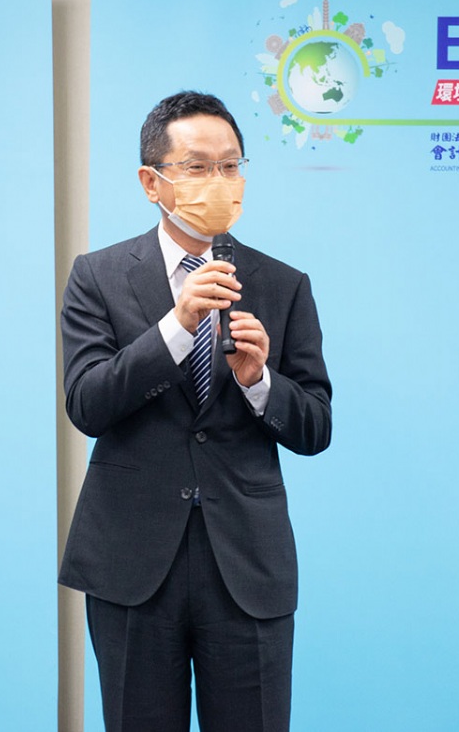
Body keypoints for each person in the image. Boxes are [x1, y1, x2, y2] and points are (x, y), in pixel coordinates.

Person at [59, 91, 333, 732]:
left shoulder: (282, 283)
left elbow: (316, 425)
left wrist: (260, 381)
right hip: (131, 561)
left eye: (231, 166)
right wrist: (175, 328)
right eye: (198, 167)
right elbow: (87, 403)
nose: (219, 181)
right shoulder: (97, 276)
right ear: (151, 182)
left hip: (247, 562)